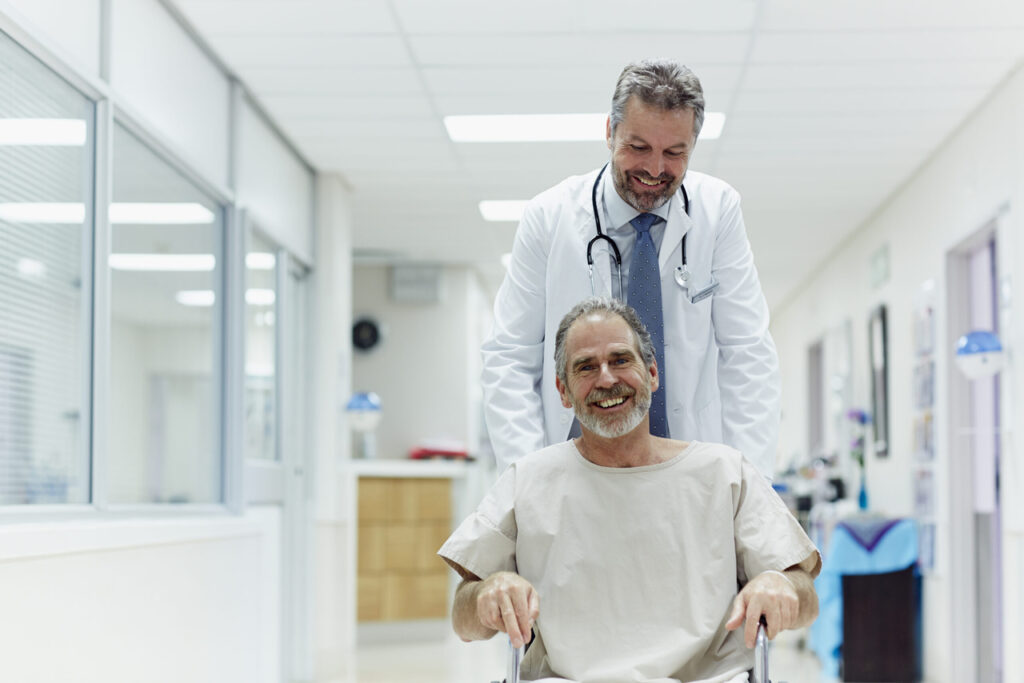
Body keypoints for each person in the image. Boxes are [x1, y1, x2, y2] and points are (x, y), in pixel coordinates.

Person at [441, 298, 820, 683]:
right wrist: (488, 592)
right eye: (586, 367)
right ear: (563, 391)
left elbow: (805, 595)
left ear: (652, 374)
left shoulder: (724, 473)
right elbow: (464, 619)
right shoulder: (529, 480)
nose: (606, 380)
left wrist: (781, 584)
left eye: (620, 360)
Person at [481, 58, 780, 478]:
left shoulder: (718, 211)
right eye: (638, 148)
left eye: (674, 153)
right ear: (610, 131)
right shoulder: (549, 217)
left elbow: (748, 353)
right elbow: (509, 356)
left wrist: (751, 483)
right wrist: (528, 478)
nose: (655, 169)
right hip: (574, 468)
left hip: (688, 465)